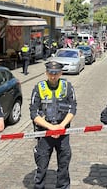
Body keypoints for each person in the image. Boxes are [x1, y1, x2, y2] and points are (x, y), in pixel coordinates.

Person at [29, 61, 77, 189]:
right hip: (44, 133)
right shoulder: (39, 87)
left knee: (64, 165)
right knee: (41, 165)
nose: (53, 76)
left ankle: (63, 186)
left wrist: (61, 126)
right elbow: (33, 113)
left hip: (63, 133)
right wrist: (51, 128)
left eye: (56, 73)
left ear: (61, 73)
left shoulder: (67, 87)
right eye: (50, 73)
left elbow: (72, 109)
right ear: (46, 73)